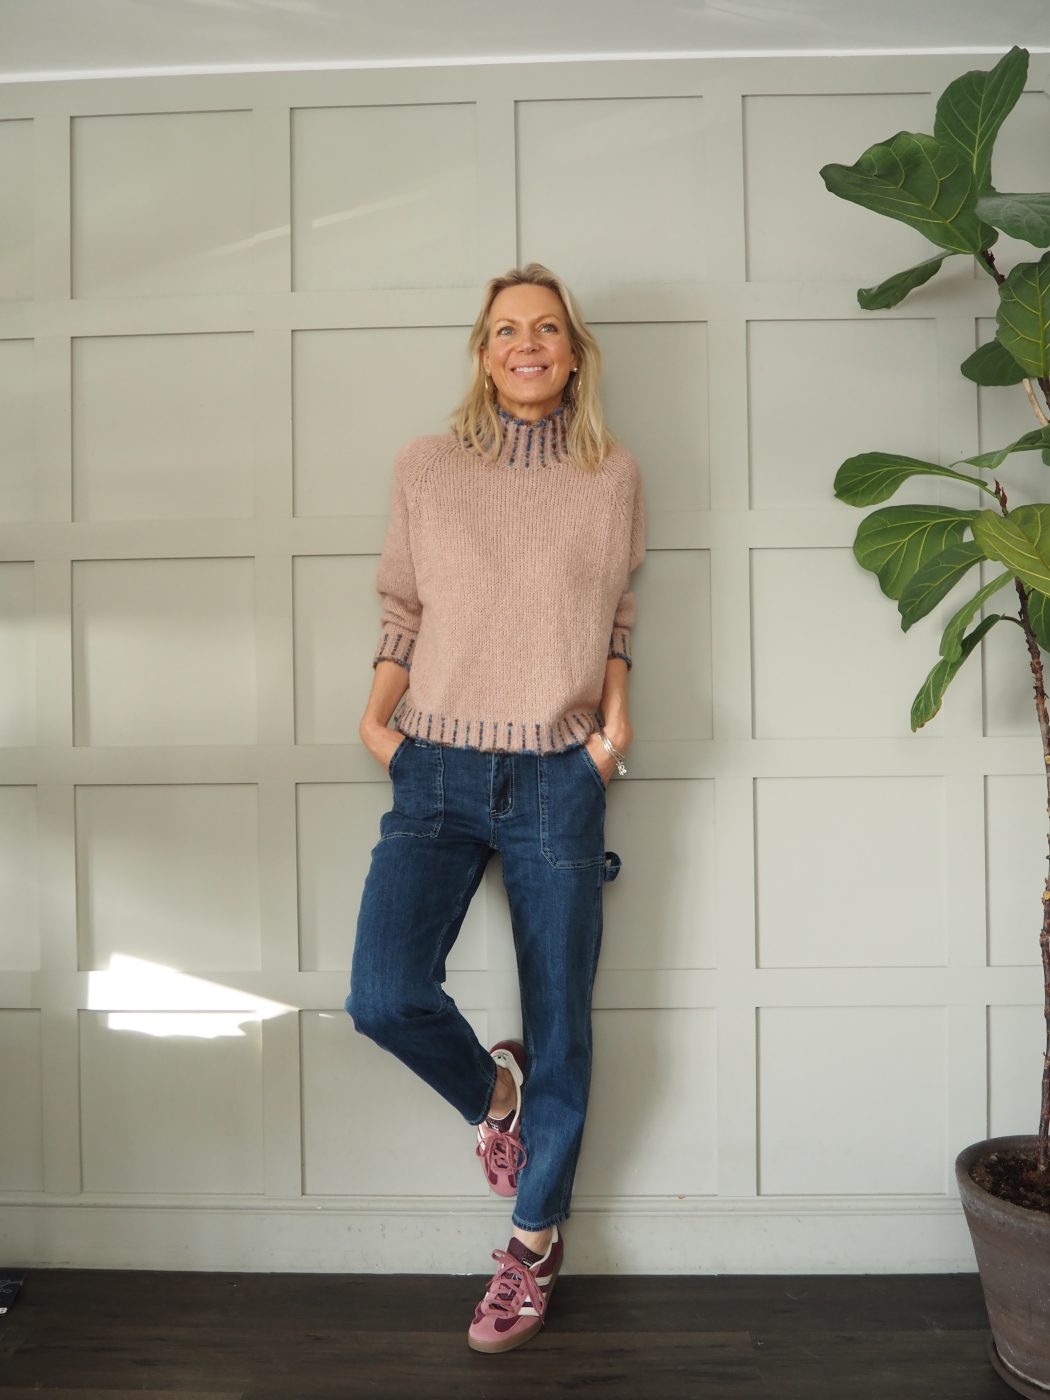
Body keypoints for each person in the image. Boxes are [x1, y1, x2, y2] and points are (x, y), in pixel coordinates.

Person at [345, 262, 646, 1354]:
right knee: (383, 994)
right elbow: (403, 607)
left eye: (548, 329)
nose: (528, 344)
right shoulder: (426, 467)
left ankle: (531, 1245)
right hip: (433, 766)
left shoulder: (611, 474)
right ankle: (496, 1096)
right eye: (508, 329)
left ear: (573, 352)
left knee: (562, 1018)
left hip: (559, 773)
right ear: (483, 352)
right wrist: (376, 724)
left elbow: (615, 614)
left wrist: (612, 734)